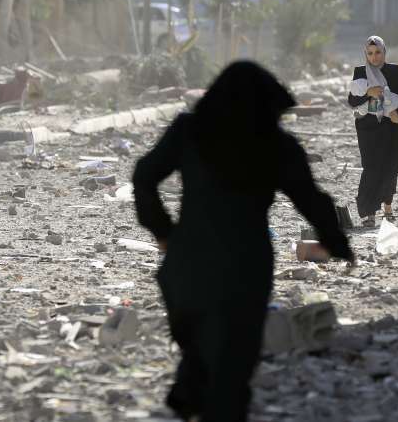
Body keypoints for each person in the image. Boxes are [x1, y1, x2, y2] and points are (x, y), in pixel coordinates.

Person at [131, 62, 354, 422]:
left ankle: (190, 397)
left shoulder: (189, 131)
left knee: (200, 343)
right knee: (233, 360)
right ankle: (202, 402)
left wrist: (162, 231)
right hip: (245, 264)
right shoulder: (277, 145)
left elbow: (144, 176)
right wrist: (336, 242)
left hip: (189, 260)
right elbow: (310, 199)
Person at [347, 36, 398, 227]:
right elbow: (352, 101)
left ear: (384, 52)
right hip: (367, 128)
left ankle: (387, 207)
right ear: (365, 55)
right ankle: (368, 213)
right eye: (370, 53)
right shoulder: (360, 72)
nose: (374, 57)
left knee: (391, 167)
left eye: (378, 52)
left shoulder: (395, 71)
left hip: (391, 127)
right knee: (371, 168)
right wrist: (368, 93)